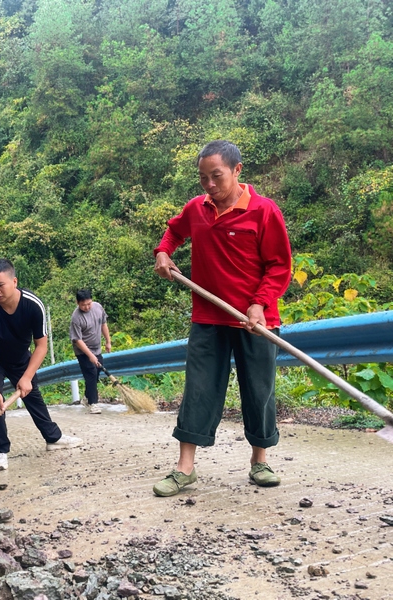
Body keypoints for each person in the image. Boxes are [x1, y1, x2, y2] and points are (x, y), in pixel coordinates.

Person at [152, 140, 292, 497]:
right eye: (203, 178)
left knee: (259, 390)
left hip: (255, 320)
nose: (209, 185)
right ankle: (185, 468)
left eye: (216, 176)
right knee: (198, 390)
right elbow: (174, 232)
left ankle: (259, 460)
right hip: (209, 317)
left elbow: (279, 266)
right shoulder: (197, 209)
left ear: (237, 170)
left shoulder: (264, 211)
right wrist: (164, 253)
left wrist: (259, 303)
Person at [0, 258, 82, 472]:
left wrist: (25, 378)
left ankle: (53, 438)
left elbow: (41, 346)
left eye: (0, 285)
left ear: (14, 281)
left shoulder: (33, 305)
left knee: (32, 393)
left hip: (19, 355)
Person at [69, 289, 112, 414]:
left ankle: (87, 397)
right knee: (91, 373)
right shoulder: (76, 318)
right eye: (83, 305)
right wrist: (90, 356)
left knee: (97, 372)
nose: (87, 307)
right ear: (77, 303)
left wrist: (108, 341)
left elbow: (103, 324)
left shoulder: (98, 307)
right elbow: (77, 340)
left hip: (96, 348)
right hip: (83, 351)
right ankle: (93, 403)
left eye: (89, 304)